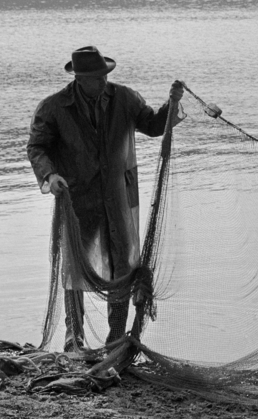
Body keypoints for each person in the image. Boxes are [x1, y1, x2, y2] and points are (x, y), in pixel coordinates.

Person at [27, 46, 184, 350]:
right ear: (79, 78)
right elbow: (37, 148)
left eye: (104, 75)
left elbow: (153, 126)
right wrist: (50, 176)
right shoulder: (54, 107)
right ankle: (74, 339)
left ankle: (116, 338)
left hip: (118, 198)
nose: (102, 82)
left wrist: (172, 103)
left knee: (123, 266)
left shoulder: (124, 98)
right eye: (95, 78)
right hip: (77, 200)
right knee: (75, 268)